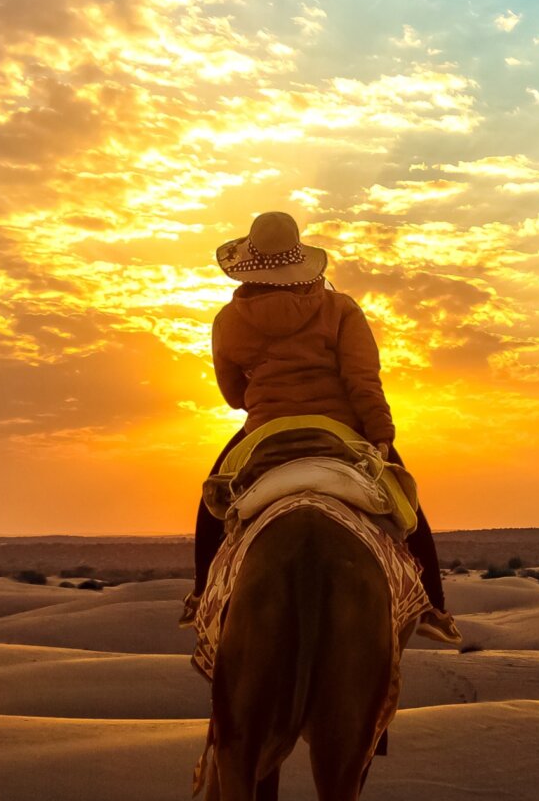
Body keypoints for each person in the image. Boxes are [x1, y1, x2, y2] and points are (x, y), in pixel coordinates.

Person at [190, 211, 444, 613]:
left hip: (263, 430)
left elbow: (233, 395)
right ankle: (433, 606)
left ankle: (202, 597)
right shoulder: (341, 308)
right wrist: (381, 434)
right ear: (299, 259)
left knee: (210, 511)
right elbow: (362, 381)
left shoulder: (227, 320)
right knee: (409, 509)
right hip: (341, 428)